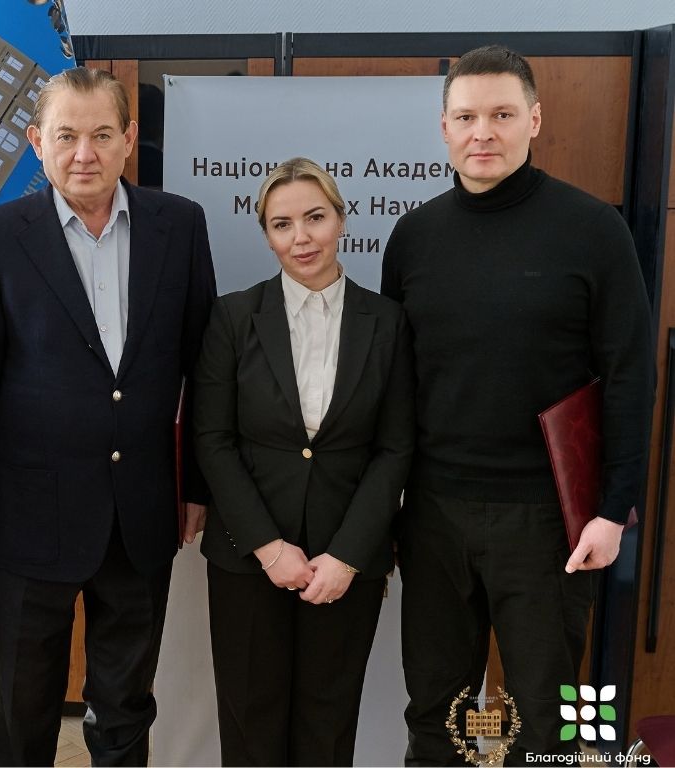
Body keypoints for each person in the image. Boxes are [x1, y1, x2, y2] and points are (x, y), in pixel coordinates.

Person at [382, 45, 653, 764]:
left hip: (549, 523)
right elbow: (395, 385)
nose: (483, 132)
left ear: (534, 120)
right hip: (433, 514)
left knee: (552, 719)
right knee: (436, 714)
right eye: (467, 117)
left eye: (502, 115)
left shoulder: (594, 230)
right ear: (444, 127)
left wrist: (614, 509)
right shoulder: (413, 238)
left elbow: (631, 375)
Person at [0, 66, 216, 766]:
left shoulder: (180, 226)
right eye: (66, 136)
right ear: (37, 142)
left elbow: (204, 370)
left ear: (129, 139)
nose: (84, 153)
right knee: (24, 705)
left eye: (101, 135)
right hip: (30, 514)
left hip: (141, 511)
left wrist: (195, 486)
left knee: (126, 704)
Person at [193, 158, 414, 766]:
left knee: (328, 725)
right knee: (250, 726)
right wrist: (268, 548)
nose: (301, 238)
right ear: (266, 235)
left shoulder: (388, 322)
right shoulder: (233, 317)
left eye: (315, 218)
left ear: (341, 220)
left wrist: (347, 555)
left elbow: (395, 448)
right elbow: (213, 440)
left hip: (346, 560)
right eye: (282, 224)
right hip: (247, 557)